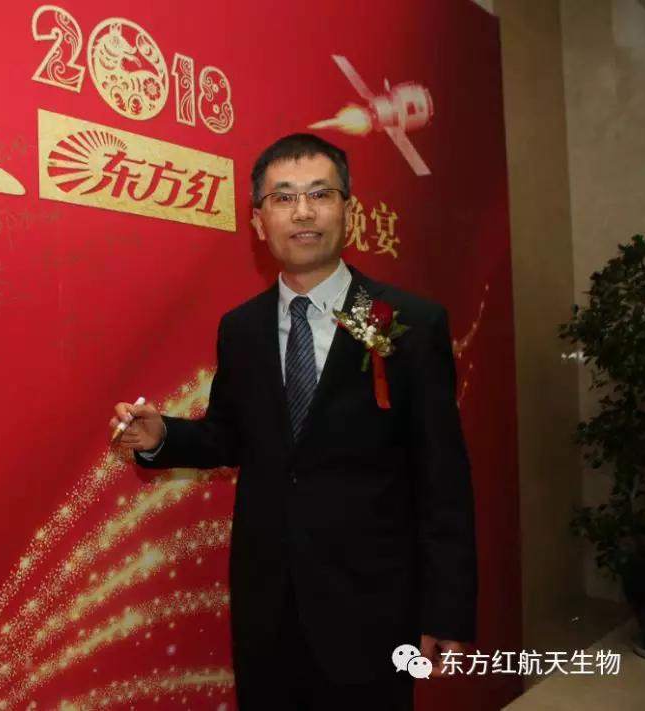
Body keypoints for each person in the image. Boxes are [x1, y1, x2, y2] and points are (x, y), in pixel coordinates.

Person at [109, 133, 477, 710]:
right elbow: (230, 435)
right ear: (259, 222)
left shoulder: (404, 321)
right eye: (283, 198)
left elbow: (443, 478)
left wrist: (446, 610)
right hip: (268, 607)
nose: (303, 212)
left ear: (348, 210)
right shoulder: (242, 328)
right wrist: (164, 436)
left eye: (319, 194)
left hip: (372, 607)